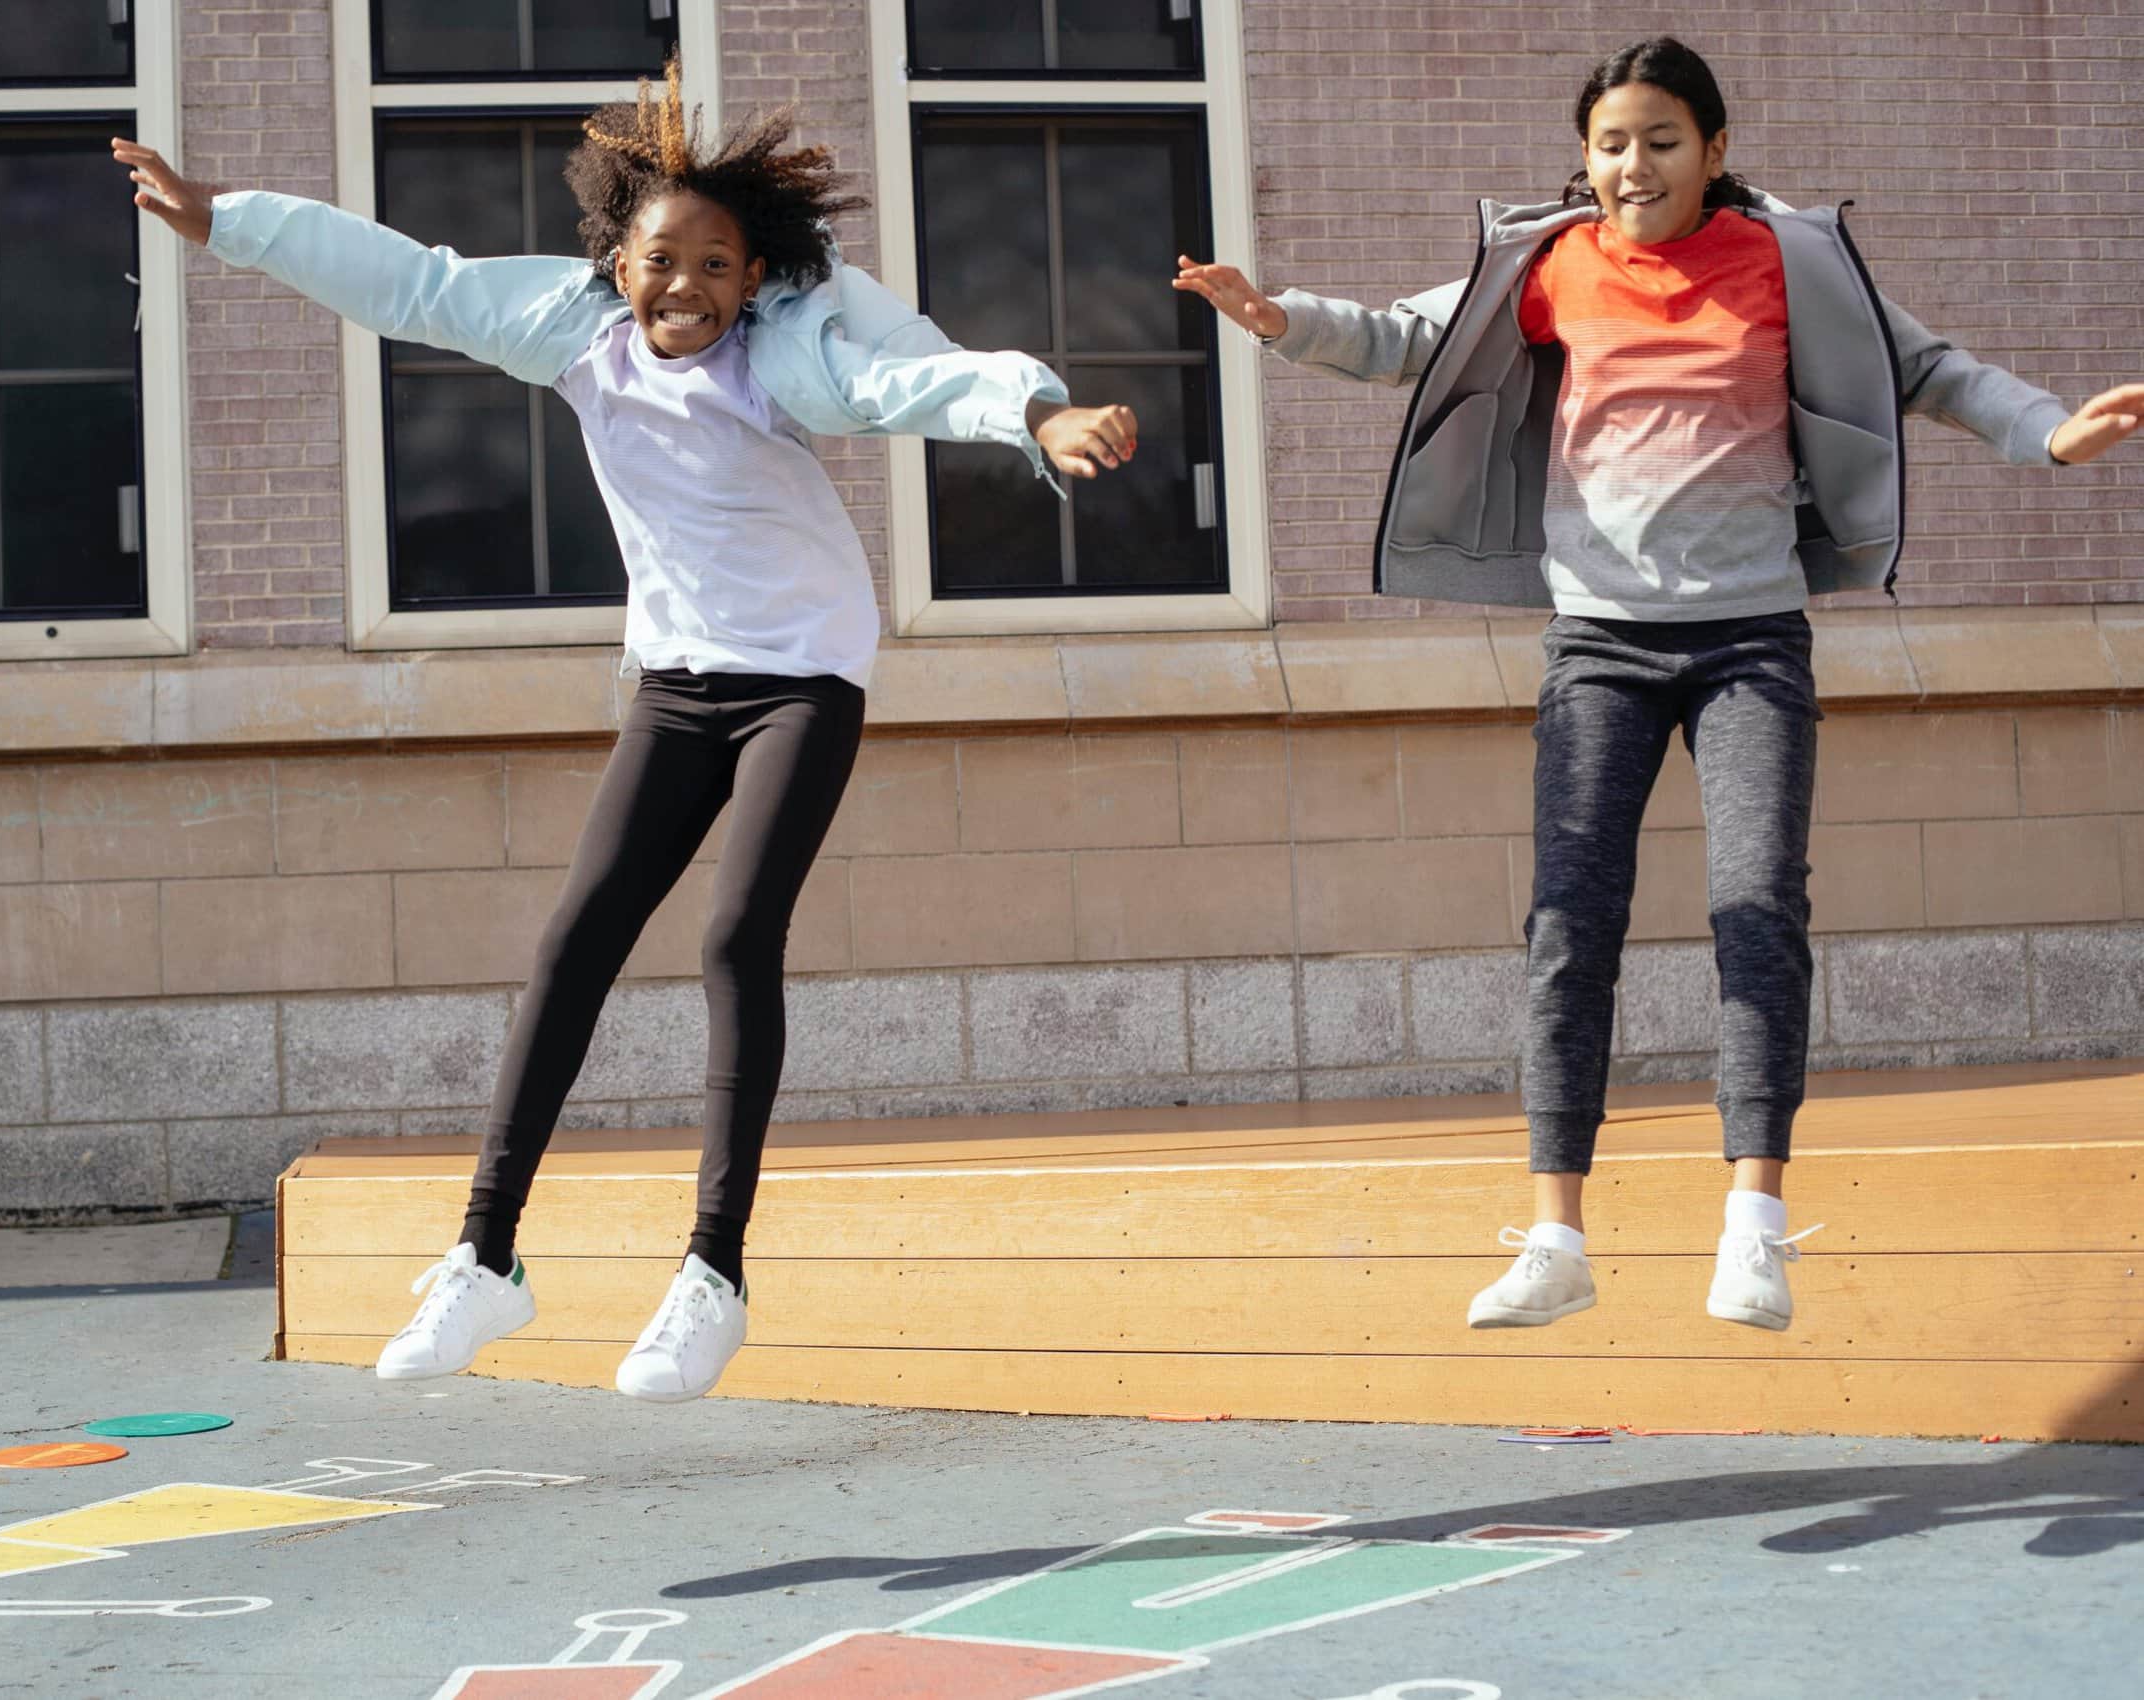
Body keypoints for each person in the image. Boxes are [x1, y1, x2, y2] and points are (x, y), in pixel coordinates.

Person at [118, 61, 1138, 1402]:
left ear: (753, 278)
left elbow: (914, 383)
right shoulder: (569, 326)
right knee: (573, 941)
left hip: (801, 680)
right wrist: (230, 223)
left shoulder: (788, 358)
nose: (687, 291)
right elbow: (412, 283)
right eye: (664, 261)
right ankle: (484, 1259)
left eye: (718, 267)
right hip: (673, 682)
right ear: (616, 260)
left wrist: (1036, 414)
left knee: (731, 936)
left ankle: (710, 1275)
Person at [1174, 36, 2141, 1334]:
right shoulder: (1552, 263)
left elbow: (1931, 369)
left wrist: (2047, 428)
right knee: (1567, 926)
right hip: (1598, 645)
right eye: (1612, 144)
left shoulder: (1791, 260)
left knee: (1754, 907)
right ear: (1584, 161)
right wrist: (1277, 317)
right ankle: (1556, 1236)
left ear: (1714, 150)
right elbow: (1411, 336)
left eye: (1661, 140)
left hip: (1749, 640)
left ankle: (1751, 1224)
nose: (1634, 165)